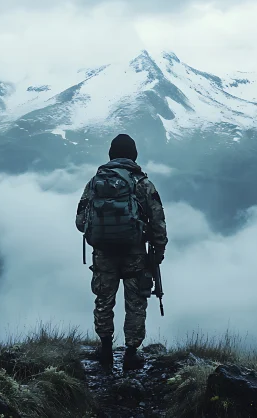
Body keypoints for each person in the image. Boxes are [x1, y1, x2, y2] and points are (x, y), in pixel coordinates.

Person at [75, 134, 168, 370]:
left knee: (104, 300)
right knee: (135, 303)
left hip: (103, 254)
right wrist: (158, 251)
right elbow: (158, 221)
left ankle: (105, 348)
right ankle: (131, 353)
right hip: (134, 254)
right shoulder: (143, 183)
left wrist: (100, 232)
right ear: (134, 155)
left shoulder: (95, 182)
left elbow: (79, 221)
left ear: (111, 155)